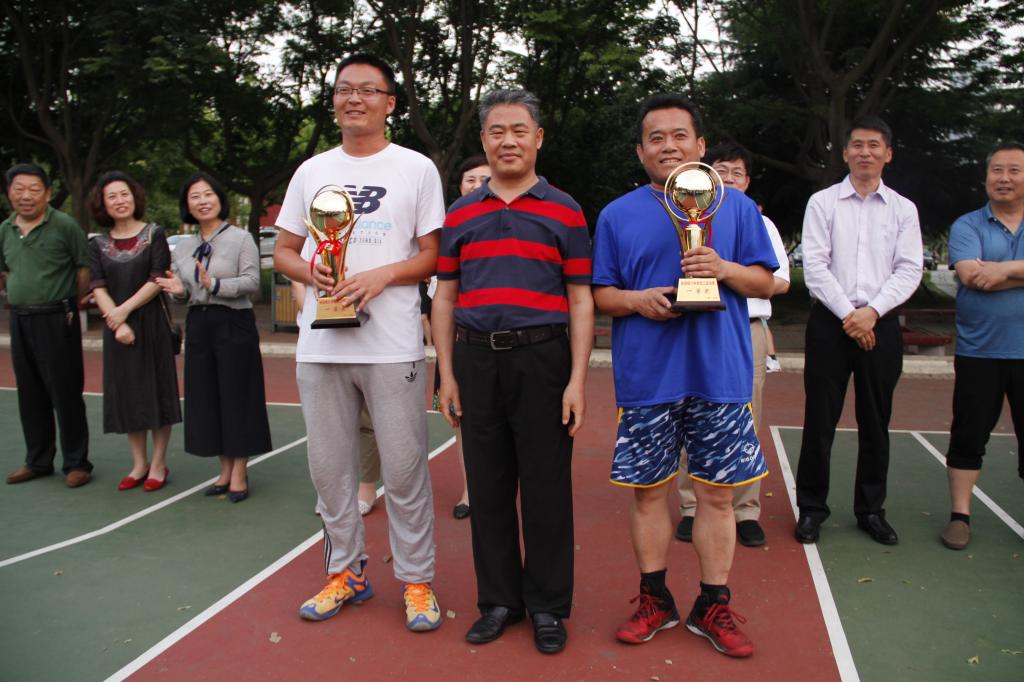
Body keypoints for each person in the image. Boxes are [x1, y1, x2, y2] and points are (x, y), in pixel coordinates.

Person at [592, 94, 777, 657]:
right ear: (640, 151)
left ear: (700, 145)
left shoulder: (736, 207)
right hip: (647, 378)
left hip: (720, 375)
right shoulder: (617, 214)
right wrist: (636, 300)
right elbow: (601, 293)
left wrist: (724, 268)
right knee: (649, 494)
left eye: (679, 136)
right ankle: (655, 599)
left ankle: (712, 603)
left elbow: (766, 283)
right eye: (656, 138)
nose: (668, 146)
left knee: (716, 497)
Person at [273, 52, 445, 631]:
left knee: (404, 470)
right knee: (329, 471)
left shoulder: (416, 168)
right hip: (320, 346)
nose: (355, 98)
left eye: (368, 90)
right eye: (345, 89)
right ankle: (345, 572)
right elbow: (284, 252)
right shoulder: (311, 171)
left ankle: (417, 580)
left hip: (391, 344)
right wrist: (311, 273)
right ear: (334, 102)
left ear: (389, 103)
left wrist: (381, 276)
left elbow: (432, 256)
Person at [434, 89, 593, 654]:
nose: (508, 140)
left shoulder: (566, 210)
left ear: (538, 138)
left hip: (543, 360)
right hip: (476, 361)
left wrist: (577, 380)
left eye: (519, 130)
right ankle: (499, 601)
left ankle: (548, 606)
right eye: (497, 131)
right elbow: (445, 297)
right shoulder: (460, 214)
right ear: (484, 140)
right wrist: (447, 374)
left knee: (547, 490)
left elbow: (580, 299)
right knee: (488, 487)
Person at [794, 116, 923, 546]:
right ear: (845, 152)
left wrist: (872, 313)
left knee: (875, 421)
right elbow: (815, 267)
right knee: (819, 420)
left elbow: (909, 270)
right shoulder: (823, 203)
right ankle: (811, 508)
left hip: (880, 325)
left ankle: (870, 510)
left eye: (874, 145)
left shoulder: (903, 209)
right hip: (830, 323)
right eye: (857, 145)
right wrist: (851, 315)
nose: (865, 152)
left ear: (888, 153)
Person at [674, 143, 790, 548]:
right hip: (694, 326)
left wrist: (728, 272)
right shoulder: (682, 213)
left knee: (746, 420)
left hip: (746, 327)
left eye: (736, 173)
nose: (727, 179)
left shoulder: (761, 223)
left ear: (747, 181)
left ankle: (745, 510)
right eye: (719, 171)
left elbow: (778, 282)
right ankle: (691, 506)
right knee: (690, 415)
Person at [155, 173, 271, 502]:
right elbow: (184, 290)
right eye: (195, 196)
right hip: (199, 324)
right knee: (208, 397)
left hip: (233, 322)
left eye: (208, 194)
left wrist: (215, 285)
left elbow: (252, 283)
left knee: (237, 396)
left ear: (219, 199)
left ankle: (239, 471)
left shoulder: (240, 238)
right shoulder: (184, 245)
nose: (203, 201)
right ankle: (224, 468)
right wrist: (178, 291)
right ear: (187, 205)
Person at [941, 142, 1024, 550]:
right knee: (968, 436)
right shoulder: (967, 225)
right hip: (979, 351)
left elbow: (990, 275)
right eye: (996, 170)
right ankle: (960, 516)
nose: (1003, 178)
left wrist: (1004, 269)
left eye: (1014, 170)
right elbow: (973, 276)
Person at [86, 172, 181, 491]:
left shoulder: (155, 234)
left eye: (124, 194)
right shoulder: (97, 244)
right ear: (103, 204)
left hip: (151, 325)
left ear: (134, 197)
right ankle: (139, 463)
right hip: (118, 329)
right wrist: (117, 321)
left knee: (157, 393)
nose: (119, 201)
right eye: (111, 196)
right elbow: (97, 285)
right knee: (127, 394)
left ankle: (159, 464)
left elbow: (157, 279)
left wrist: (122, 312)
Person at [2, 164, 92, 488]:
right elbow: (6, 270)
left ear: (48, 193)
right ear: (9, 192)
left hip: (57, 317)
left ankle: (77, 463)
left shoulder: (65, 225)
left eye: (34, 189)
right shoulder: (5, 229)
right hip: (20, 318)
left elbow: (83, 268)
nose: (26, 196)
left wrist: (70, 302)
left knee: (65, 391)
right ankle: (38, 461)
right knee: (29, 392)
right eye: (19, 189)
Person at [434, 154, 490, 520]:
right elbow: (440, 294)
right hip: (458, 345)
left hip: (497, 341)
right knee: (463, 422)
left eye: (485, 179)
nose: (477, 185)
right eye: (470, 179)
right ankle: (471, 487)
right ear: (459, 187)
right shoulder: (451, 228)